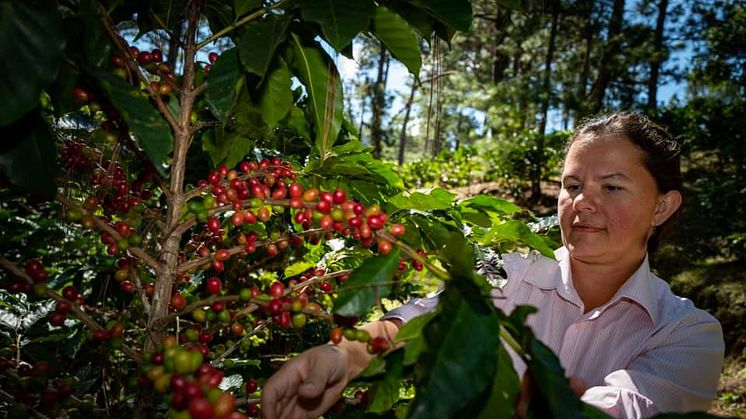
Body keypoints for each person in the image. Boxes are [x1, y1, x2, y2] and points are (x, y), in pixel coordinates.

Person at [260, 112, 725, 419]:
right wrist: (345, 357)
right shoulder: (512, 273)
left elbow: (626, 407)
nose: (582, 203)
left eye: (612, 187)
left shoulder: (688, 334)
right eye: (572, 185)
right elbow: (428, 316)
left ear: (662, 207)